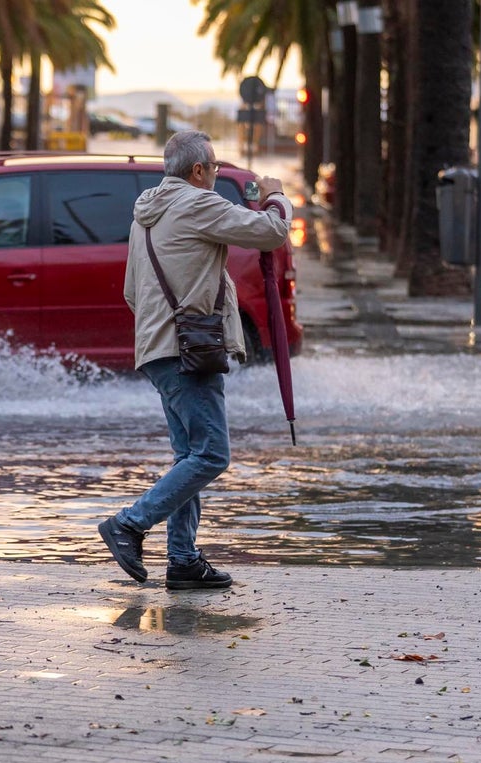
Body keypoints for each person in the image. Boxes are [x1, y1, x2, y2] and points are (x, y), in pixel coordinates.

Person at [98, 130, 292, 590]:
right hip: (190, 349)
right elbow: (271, 232)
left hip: (157, 350)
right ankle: (128, 523)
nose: (218, 174)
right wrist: (276, 196)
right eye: (216, 167)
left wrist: (163, 329)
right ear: (198, 170)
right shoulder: (197, 203)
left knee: (189, 455)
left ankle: (183, 560)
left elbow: (131, 292)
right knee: (212, 454)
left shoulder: (145, 214)